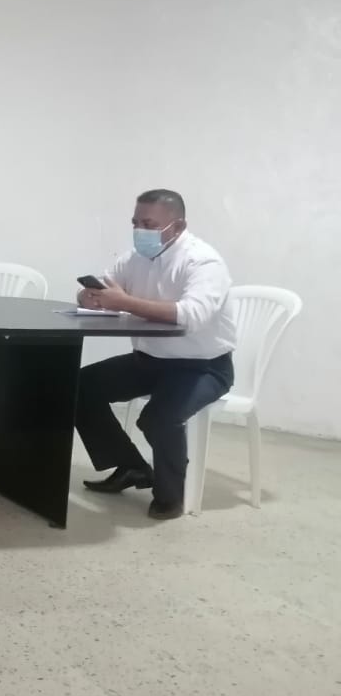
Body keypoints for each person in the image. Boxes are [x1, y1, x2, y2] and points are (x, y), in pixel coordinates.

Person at [75, 189, 236, 520]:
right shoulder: (133, 258)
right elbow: (103, 288)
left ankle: (170, 496)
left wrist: (125, 303)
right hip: (149, 361)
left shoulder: (203, 262)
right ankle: (131, 466)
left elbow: (191, 316)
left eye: (148, 224)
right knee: (79, 387)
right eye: (135, 223)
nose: (140, 231)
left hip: (203, 368)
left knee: (159, 419)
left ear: (178, 226)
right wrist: (88, 296)